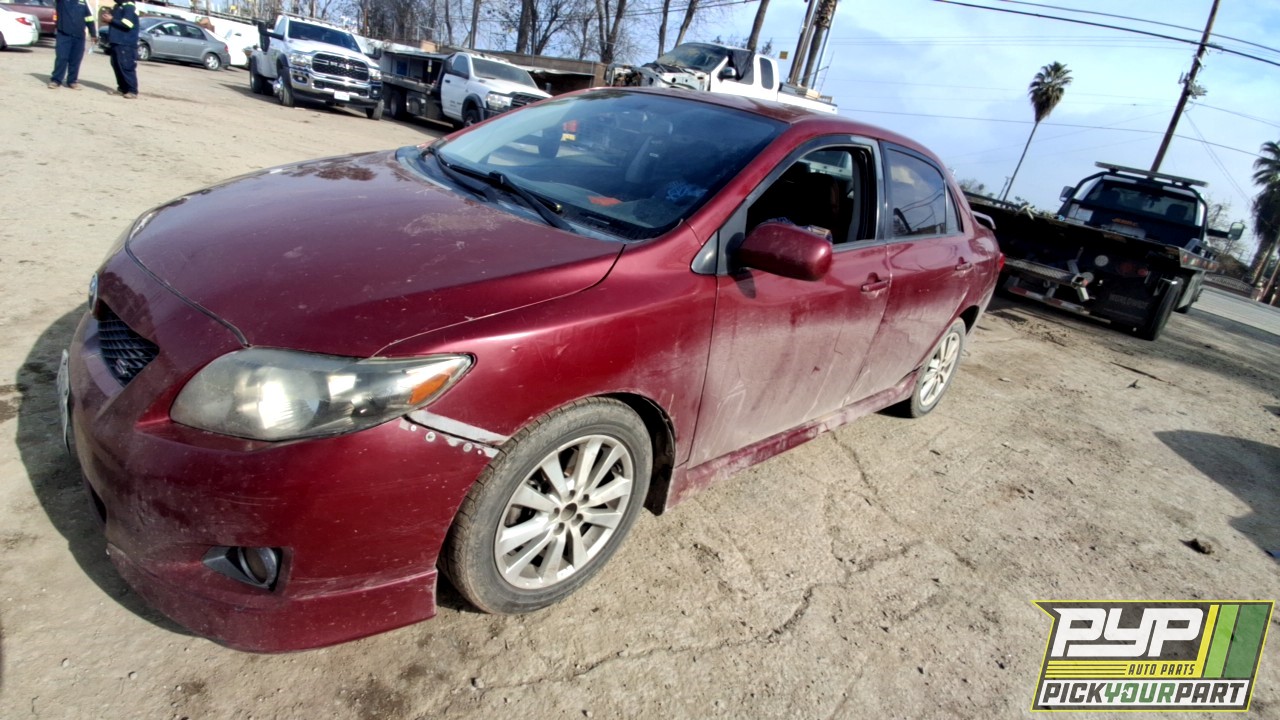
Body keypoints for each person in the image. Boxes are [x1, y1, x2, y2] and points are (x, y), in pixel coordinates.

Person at [48, 0, 97, 89]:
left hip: (79, 36)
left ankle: (72, 81)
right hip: (64, 34)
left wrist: (93, 33)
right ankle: (56, 80)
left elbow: (88, 18)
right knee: (62, 57)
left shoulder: (82, 2)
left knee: (75, 60)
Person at [101, 0, 140, 99]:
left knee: (126, 66)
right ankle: (122, 89)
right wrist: (108, 19)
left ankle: (132, 90)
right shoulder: (118, 6)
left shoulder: (129, 7)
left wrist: (111, 20)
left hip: (125, 43)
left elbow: (127, 24)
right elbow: (116, 22)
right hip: (116, 42)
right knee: (116, 65)